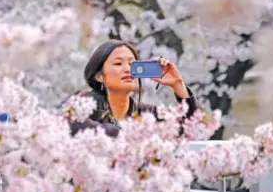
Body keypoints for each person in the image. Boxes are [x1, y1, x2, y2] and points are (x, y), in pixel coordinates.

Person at [69, 40, 200, 137]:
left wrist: (177, 84)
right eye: (118, 63)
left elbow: (190, 127)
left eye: (132, 63)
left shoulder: (147, 113)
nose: (127, 69)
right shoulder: (86, 103)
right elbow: (74, 123)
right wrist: (131, 135)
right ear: (100, 76)